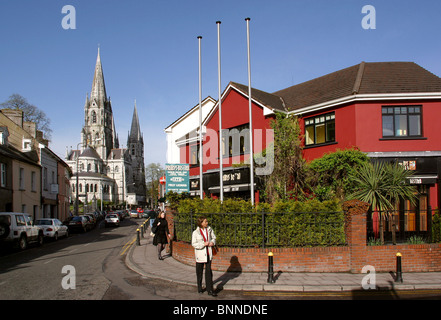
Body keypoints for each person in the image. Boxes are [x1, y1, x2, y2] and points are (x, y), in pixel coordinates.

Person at [191, 216, 217, 296]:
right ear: (201, 223)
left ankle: (210, 290)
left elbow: (214, 237)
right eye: (205, 222)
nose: (207, 223)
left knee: (209, 272)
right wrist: (203, 244)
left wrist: (212, 242)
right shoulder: (195, 233)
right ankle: (199, 287)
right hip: (200, 254)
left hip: (208, 253)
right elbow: (194, 244)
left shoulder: (209, 229)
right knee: (199, 272)